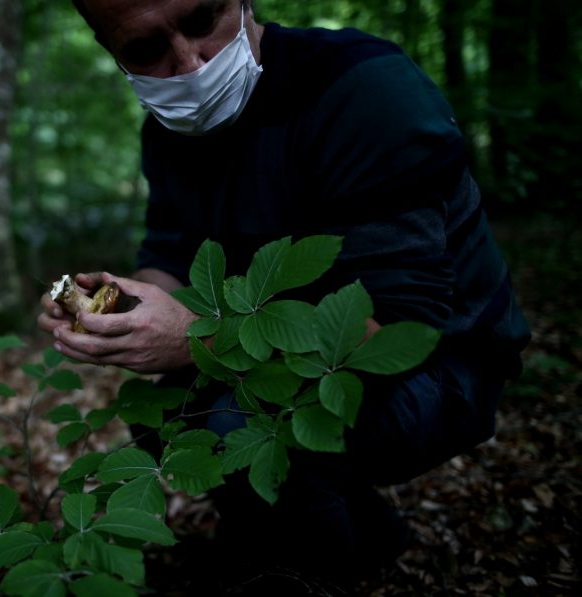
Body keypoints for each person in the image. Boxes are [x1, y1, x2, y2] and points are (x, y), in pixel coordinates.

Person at [38, 0, 530, 587]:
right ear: (111, 52)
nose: (190, 63)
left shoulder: (361, 88)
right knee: (160, 410)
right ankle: (358, 536)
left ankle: (309, 574)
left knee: (233, 423)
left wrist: (198, 338)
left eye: (201, 20)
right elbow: (171, 258)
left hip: (443, 364)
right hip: (289, 346)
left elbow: (397, 327)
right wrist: (123, 302)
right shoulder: (169, 131)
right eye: (145, 50)